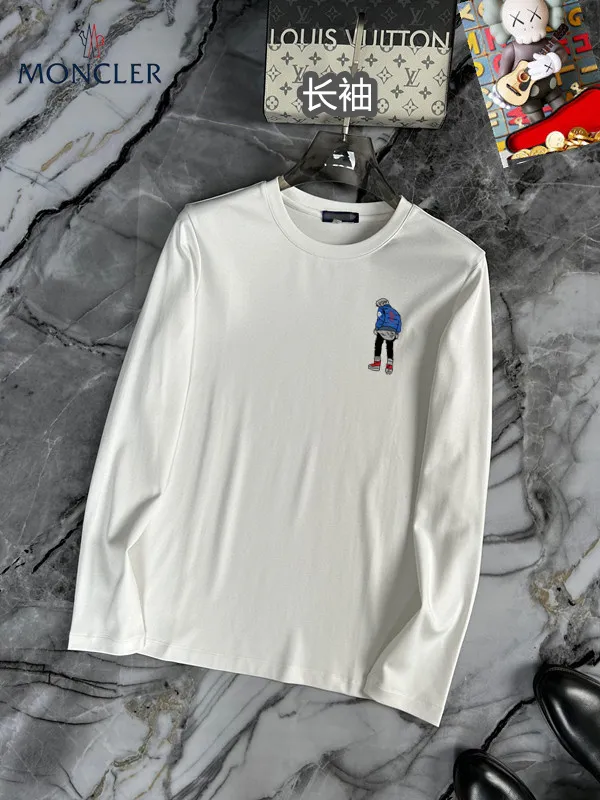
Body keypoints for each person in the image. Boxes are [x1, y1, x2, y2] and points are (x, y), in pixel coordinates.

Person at [368, 297, 402, 375]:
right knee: (390, 348)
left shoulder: (382, 309)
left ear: (382, 304)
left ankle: (377, 364)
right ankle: (389, 366)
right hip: (392, 332)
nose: (378, 306)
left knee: (378, 345)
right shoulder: (395, 312)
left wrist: (377, 328)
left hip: (383, 329)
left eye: (379, 305)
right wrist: (397, 332)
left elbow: (381, 319)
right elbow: (399, 322)